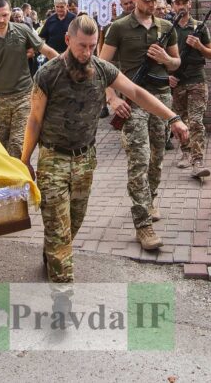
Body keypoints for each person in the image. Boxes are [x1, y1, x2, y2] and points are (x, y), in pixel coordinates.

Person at [22, 15, 188, 284]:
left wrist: (173, 117)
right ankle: (62, 295)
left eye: (91, 46)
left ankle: (53, 252)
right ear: (67, 40)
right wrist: (25, 159)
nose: (87, 52)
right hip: (53, 159)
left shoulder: (101, 69)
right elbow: (34, 119)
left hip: (85, 159)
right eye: (81, 46)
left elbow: (136, 93)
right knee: (60, 231)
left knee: (72, 223)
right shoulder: (48, 74)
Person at [100, 0, 181, 251]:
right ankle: (142, 225)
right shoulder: (118, 28)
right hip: (132, 102)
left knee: (157, 158)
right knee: (139, 160)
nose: (151, 4)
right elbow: (103, 66)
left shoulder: (166, 26)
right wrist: (111, 97)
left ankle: (150, 198)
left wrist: (165, 60)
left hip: (161, 99)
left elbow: (176, 63)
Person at [0, 0, 57, 158]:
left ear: (10, 13)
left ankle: (20, 182)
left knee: (17, 144)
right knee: (0, 148)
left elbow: (46, 51)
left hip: (24, 97)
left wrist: (67, 65)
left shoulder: (22, 30)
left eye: (4, 15)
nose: (1, 19)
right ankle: (8, 180)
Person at [169, 0, 211, 178]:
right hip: (177, 82)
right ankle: (185, 152)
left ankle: (198, 160)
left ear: (190, 4)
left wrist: (199, 46)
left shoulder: (199, 27)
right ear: (173, 6)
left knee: (195, 121)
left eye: (184, 2)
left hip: (196, 79)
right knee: (180, 121)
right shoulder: (168, 29)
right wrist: (167, 75)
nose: (181, 6)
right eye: (177, 3)